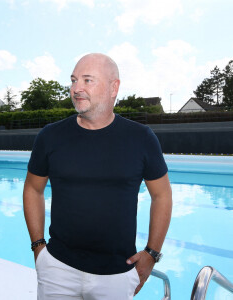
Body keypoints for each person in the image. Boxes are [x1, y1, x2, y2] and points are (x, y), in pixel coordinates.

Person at [23, 53, 172, 300]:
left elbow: (162, 195)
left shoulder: (141, 139)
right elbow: (32, 189)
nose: (76, 88)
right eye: (73, 80)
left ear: (114, 87)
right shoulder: (50, 137)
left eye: (87, 80)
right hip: (57, 270)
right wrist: (38, 247)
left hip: (116, 274)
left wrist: (152, 253)